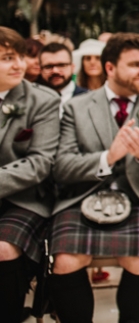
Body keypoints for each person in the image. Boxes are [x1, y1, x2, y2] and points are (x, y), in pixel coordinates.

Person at [48, 33, 139, 323]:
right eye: (135, 64)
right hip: (82, 198)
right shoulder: (76, 107)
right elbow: (61, 167)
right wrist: (107, 158)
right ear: (110, 68)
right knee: (63, 261)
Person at [0, 27, 60, 322]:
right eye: (7, 58)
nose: (19, 65)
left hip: (24, 200)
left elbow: (40, 163)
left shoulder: (43, 101)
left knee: (2, 248)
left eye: (20, 56)